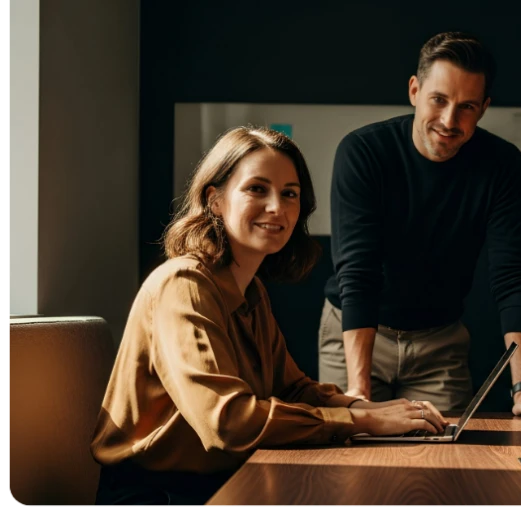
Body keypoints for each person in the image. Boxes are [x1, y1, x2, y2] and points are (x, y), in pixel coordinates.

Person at [90, 126, 447, 506]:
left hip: (224, 481)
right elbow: (226, 421)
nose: (277, 207)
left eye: (289, 194)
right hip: (156, 497)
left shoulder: (251, 289)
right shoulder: (183, 284)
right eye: (257, 189)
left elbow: (292, 388)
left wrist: (370, 409)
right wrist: (364, 423)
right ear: (215, 200)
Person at [318, 31, 521, 420]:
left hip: (439, 346)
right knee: (350, 458)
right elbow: (358, 273)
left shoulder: (502, 165)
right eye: (438, 100)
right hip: (355, 333)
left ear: (484, 108)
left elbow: (514, 277)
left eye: (467, 107)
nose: (448, 120)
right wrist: (358, 390)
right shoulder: (363, 152)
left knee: (444, 462)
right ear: (414, 90)